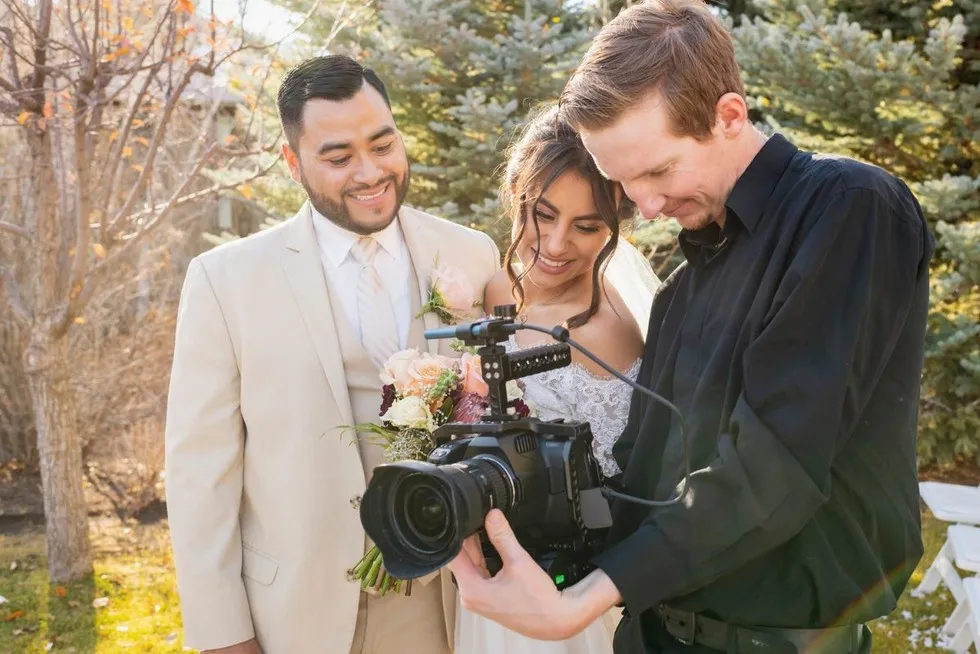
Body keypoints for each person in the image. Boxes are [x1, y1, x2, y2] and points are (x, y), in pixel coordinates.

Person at [447, 2, 934, 653]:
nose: (645, 207)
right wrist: (511, 522)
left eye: (657, 171)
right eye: (625, 183)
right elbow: (644, 482)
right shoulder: (683, 286)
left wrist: (586, 599)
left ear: (729, 115)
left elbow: (776, 460)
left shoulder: (848, 210)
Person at [164, 55, 500, 654]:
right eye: (339, 157)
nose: (370, 172)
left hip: (451, 607)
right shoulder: (225, 281)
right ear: (293, 163)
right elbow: (200, 476)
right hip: (296, 615)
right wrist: (223, 635)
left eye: (383, 143)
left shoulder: (471, 255)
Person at [456, 105, 660, 654]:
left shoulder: (621, 324)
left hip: (581, 585)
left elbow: (638, 478)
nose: (554, 243)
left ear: (619, 221)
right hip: (494, 589)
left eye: (587, 226)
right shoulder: (485, 290)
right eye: (542, 214)